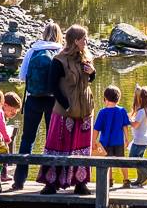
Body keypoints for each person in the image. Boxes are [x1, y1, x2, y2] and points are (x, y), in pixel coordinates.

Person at [39, 26, 95, 196]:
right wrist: (66, 105)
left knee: (82, 149)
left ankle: (80, 183)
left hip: (84, 111)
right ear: (75, 40)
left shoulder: (86, 58)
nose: (86, 42)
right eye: (83, 39)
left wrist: (93, 72)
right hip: (64, 111)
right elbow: (52, 86)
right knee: (57, 145)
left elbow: (90, 79)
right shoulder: (59, 60)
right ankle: (51, 183)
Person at [10, 21, 62, 190]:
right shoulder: (59, 51)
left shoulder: (33, 50)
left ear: (43, 33)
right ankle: (50, 180)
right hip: (53, 101)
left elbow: (22, 76)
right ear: (59, 35)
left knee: (27, 139)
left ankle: (19, 179)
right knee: (51, 140)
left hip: (33, 99)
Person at [92, 86, 130, 189]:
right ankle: (126, 180)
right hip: (119, 142)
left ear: (105, 99)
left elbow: (96, 129)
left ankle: (109, 181)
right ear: (118, 99)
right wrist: (127, 139)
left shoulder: (102, 112)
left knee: (107, 162)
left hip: (105, 142)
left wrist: (93, 141)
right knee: (122, 161)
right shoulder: (122, 110)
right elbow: (125, 126)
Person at [126, 85, 147, 187]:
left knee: (132, 159)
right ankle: (140, 180)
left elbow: (135, 125)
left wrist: (127, 120)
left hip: (139, 141)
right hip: (145, 141)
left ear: (141, 99)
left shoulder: (141, 111)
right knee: (139, 160)